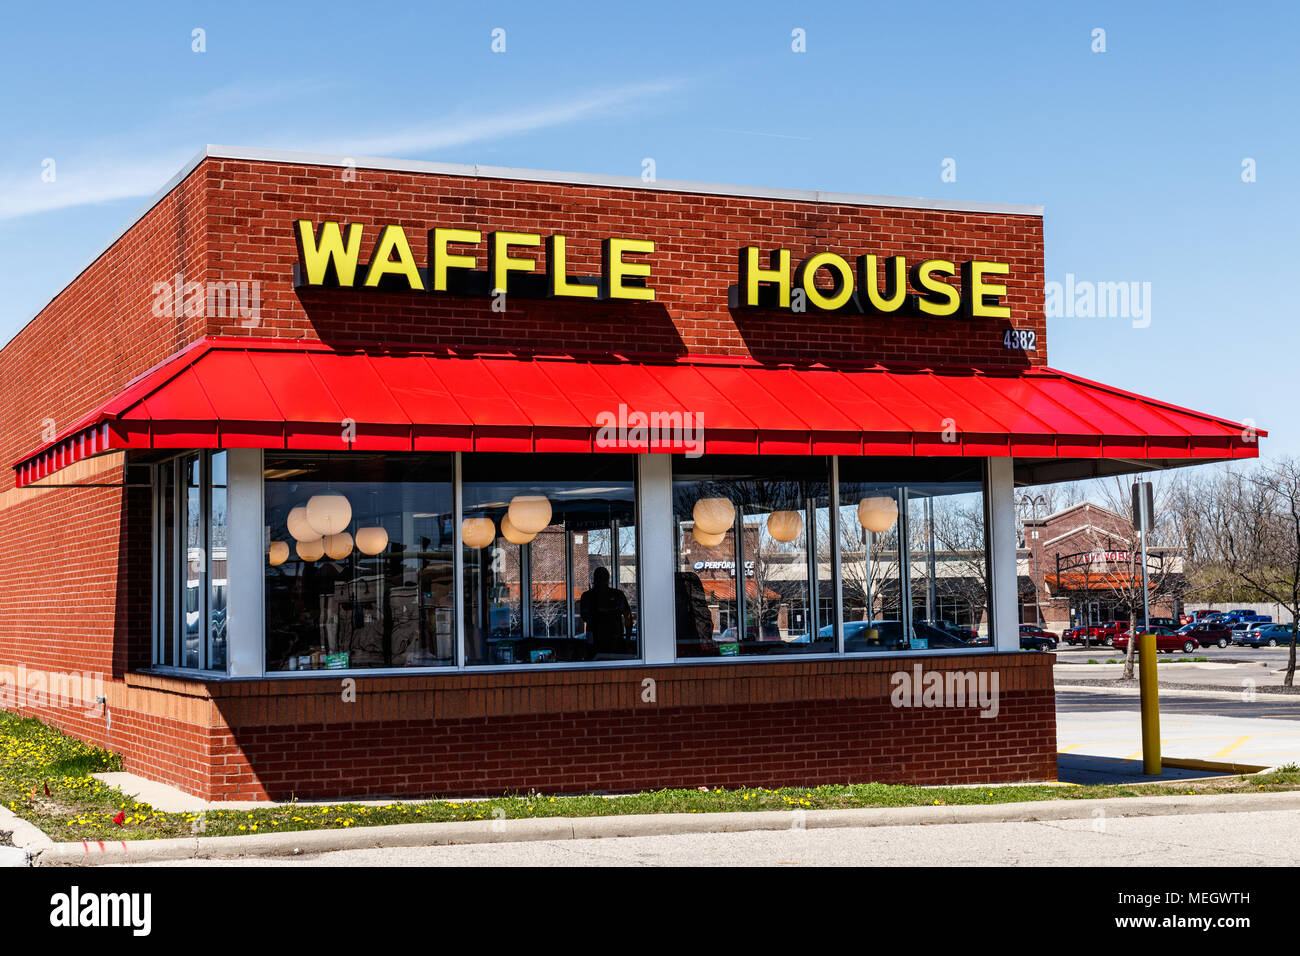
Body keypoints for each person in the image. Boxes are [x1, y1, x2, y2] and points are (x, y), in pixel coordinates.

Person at [579, 567, 633, 657]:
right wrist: (627, 640)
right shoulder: (618, 595)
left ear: (594, 580)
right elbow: (628, 618)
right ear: (608, 579)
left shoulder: (587, 596)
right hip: (615, 640)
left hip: (595, 642)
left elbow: (584, 617)